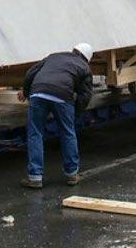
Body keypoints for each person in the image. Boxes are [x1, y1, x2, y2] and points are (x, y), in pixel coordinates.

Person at [19, 43, 94, 188]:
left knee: (35, 133)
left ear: (74, 50)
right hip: (62, 96)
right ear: (87, 58)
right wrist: (74, 114)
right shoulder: (84, 68)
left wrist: (26, 92)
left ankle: (35, 177)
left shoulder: (54, 56)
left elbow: (30, 73)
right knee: (67, 133)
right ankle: (72, 174)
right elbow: (85, 95)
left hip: (38, 92)